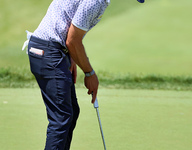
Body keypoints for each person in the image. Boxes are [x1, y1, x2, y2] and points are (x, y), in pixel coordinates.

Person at [22, 0, 144, 149]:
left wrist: (72, 56)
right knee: (61, 118)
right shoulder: (96, 1)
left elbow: (69, 28)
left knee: (71, 111)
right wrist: (89, 73)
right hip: (48, 51)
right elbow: (72, 40)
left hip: (51, 49)